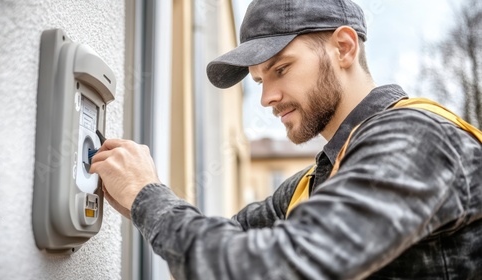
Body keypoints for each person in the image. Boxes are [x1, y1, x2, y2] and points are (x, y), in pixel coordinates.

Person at [90, 0, 482, 279]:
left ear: (343, 48)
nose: (266, 98)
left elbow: (267, 267)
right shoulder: (315, 181)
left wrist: (148, 198)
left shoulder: (415, 140)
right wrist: (139, 198)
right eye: (260, 80)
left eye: (281, 68)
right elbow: (220, 247)